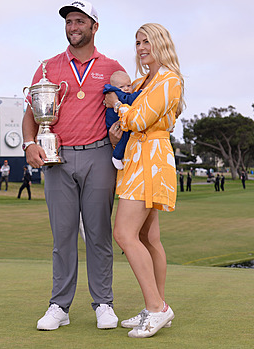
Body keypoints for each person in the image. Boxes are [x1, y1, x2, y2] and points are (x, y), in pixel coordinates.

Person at [23, 1, 124, 331]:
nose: (73, 26)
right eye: (69, 21)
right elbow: (31, 115)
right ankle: (59, 305)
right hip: (58, 158)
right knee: (62, 235)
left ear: (94, 26)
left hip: (98, 156)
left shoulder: (112, 67)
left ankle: (103, 303)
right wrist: (29, 144)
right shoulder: (48, 67)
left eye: (80, 20)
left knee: (98, 234)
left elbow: (126, 107)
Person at [104, 22, 184, 338]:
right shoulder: (143, 80)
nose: (141, 48)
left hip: (150, 159)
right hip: (138, 157)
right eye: (137, 42)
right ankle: (157, 304)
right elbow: (130, 121)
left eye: (147, 41)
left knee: (124, 234)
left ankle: (156, 308)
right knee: (149, 238)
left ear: (161, 43)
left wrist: (117, 105)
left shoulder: (169, 80)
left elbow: (137, 119)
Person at [103, 70, 141, 170]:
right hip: (115, 123)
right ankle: (117, 156)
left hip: (118, 121)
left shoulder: (116, 92)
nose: (126, 89)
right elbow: (128, 100)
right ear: (115, 87)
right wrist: (142, 92)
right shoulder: (117, 94)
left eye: (129, 85)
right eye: (122, 87)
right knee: (124, 137)